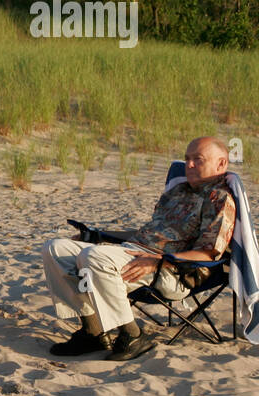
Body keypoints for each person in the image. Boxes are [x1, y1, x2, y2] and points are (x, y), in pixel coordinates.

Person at [41, 136, 236, 361]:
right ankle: (93, 332)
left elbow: (209, 252)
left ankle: (133, 336)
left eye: (198, 159)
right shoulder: (177, 191)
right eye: (187, 159)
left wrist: (159, 260)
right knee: (56, 248)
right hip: (132, 252)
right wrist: (97, 235)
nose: (189, 165)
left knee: (93, 257)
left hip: (173, 271)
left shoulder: (218, 198)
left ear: (221, 164)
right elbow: (147, 234)